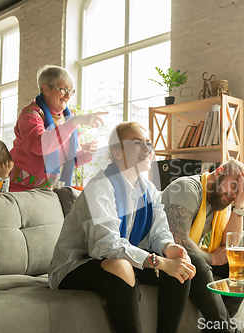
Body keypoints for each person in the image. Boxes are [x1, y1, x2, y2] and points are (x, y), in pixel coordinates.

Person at [48, 122, 196, 333]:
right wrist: (158, 262)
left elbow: (159, 232)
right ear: (117, 153)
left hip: (114, 257)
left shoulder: (149, 190)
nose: (147, 150)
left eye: (148, 143)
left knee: (180, 264)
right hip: (75, 266)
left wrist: (168, 248)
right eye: (137, 144)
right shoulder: (100, 187)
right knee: (121, 266)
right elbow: (106, 246)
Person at [161, 159, 244, 333]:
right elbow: (178, 240)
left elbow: (230, 247)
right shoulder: (188, 188)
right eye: (234, 185)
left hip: (186, 254)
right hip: (157, 252)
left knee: (240, 264)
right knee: (197, 261)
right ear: (218, 172)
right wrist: (211, 258)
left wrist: (239, 204)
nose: (234, 194)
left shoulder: (221, 203)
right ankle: (227, 330)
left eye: (239, 191)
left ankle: (216, 328)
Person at [9, 65, 108, 191]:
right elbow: (40, 145)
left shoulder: (70, 116)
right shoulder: (30, 113)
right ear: (46, 89)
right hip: (19, 186)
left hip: (47, 187)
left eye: (71, 91)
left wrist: (85, 153)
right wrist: (74, 122)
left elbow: (70, 158)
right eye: (63, 89)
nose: (68, 96)